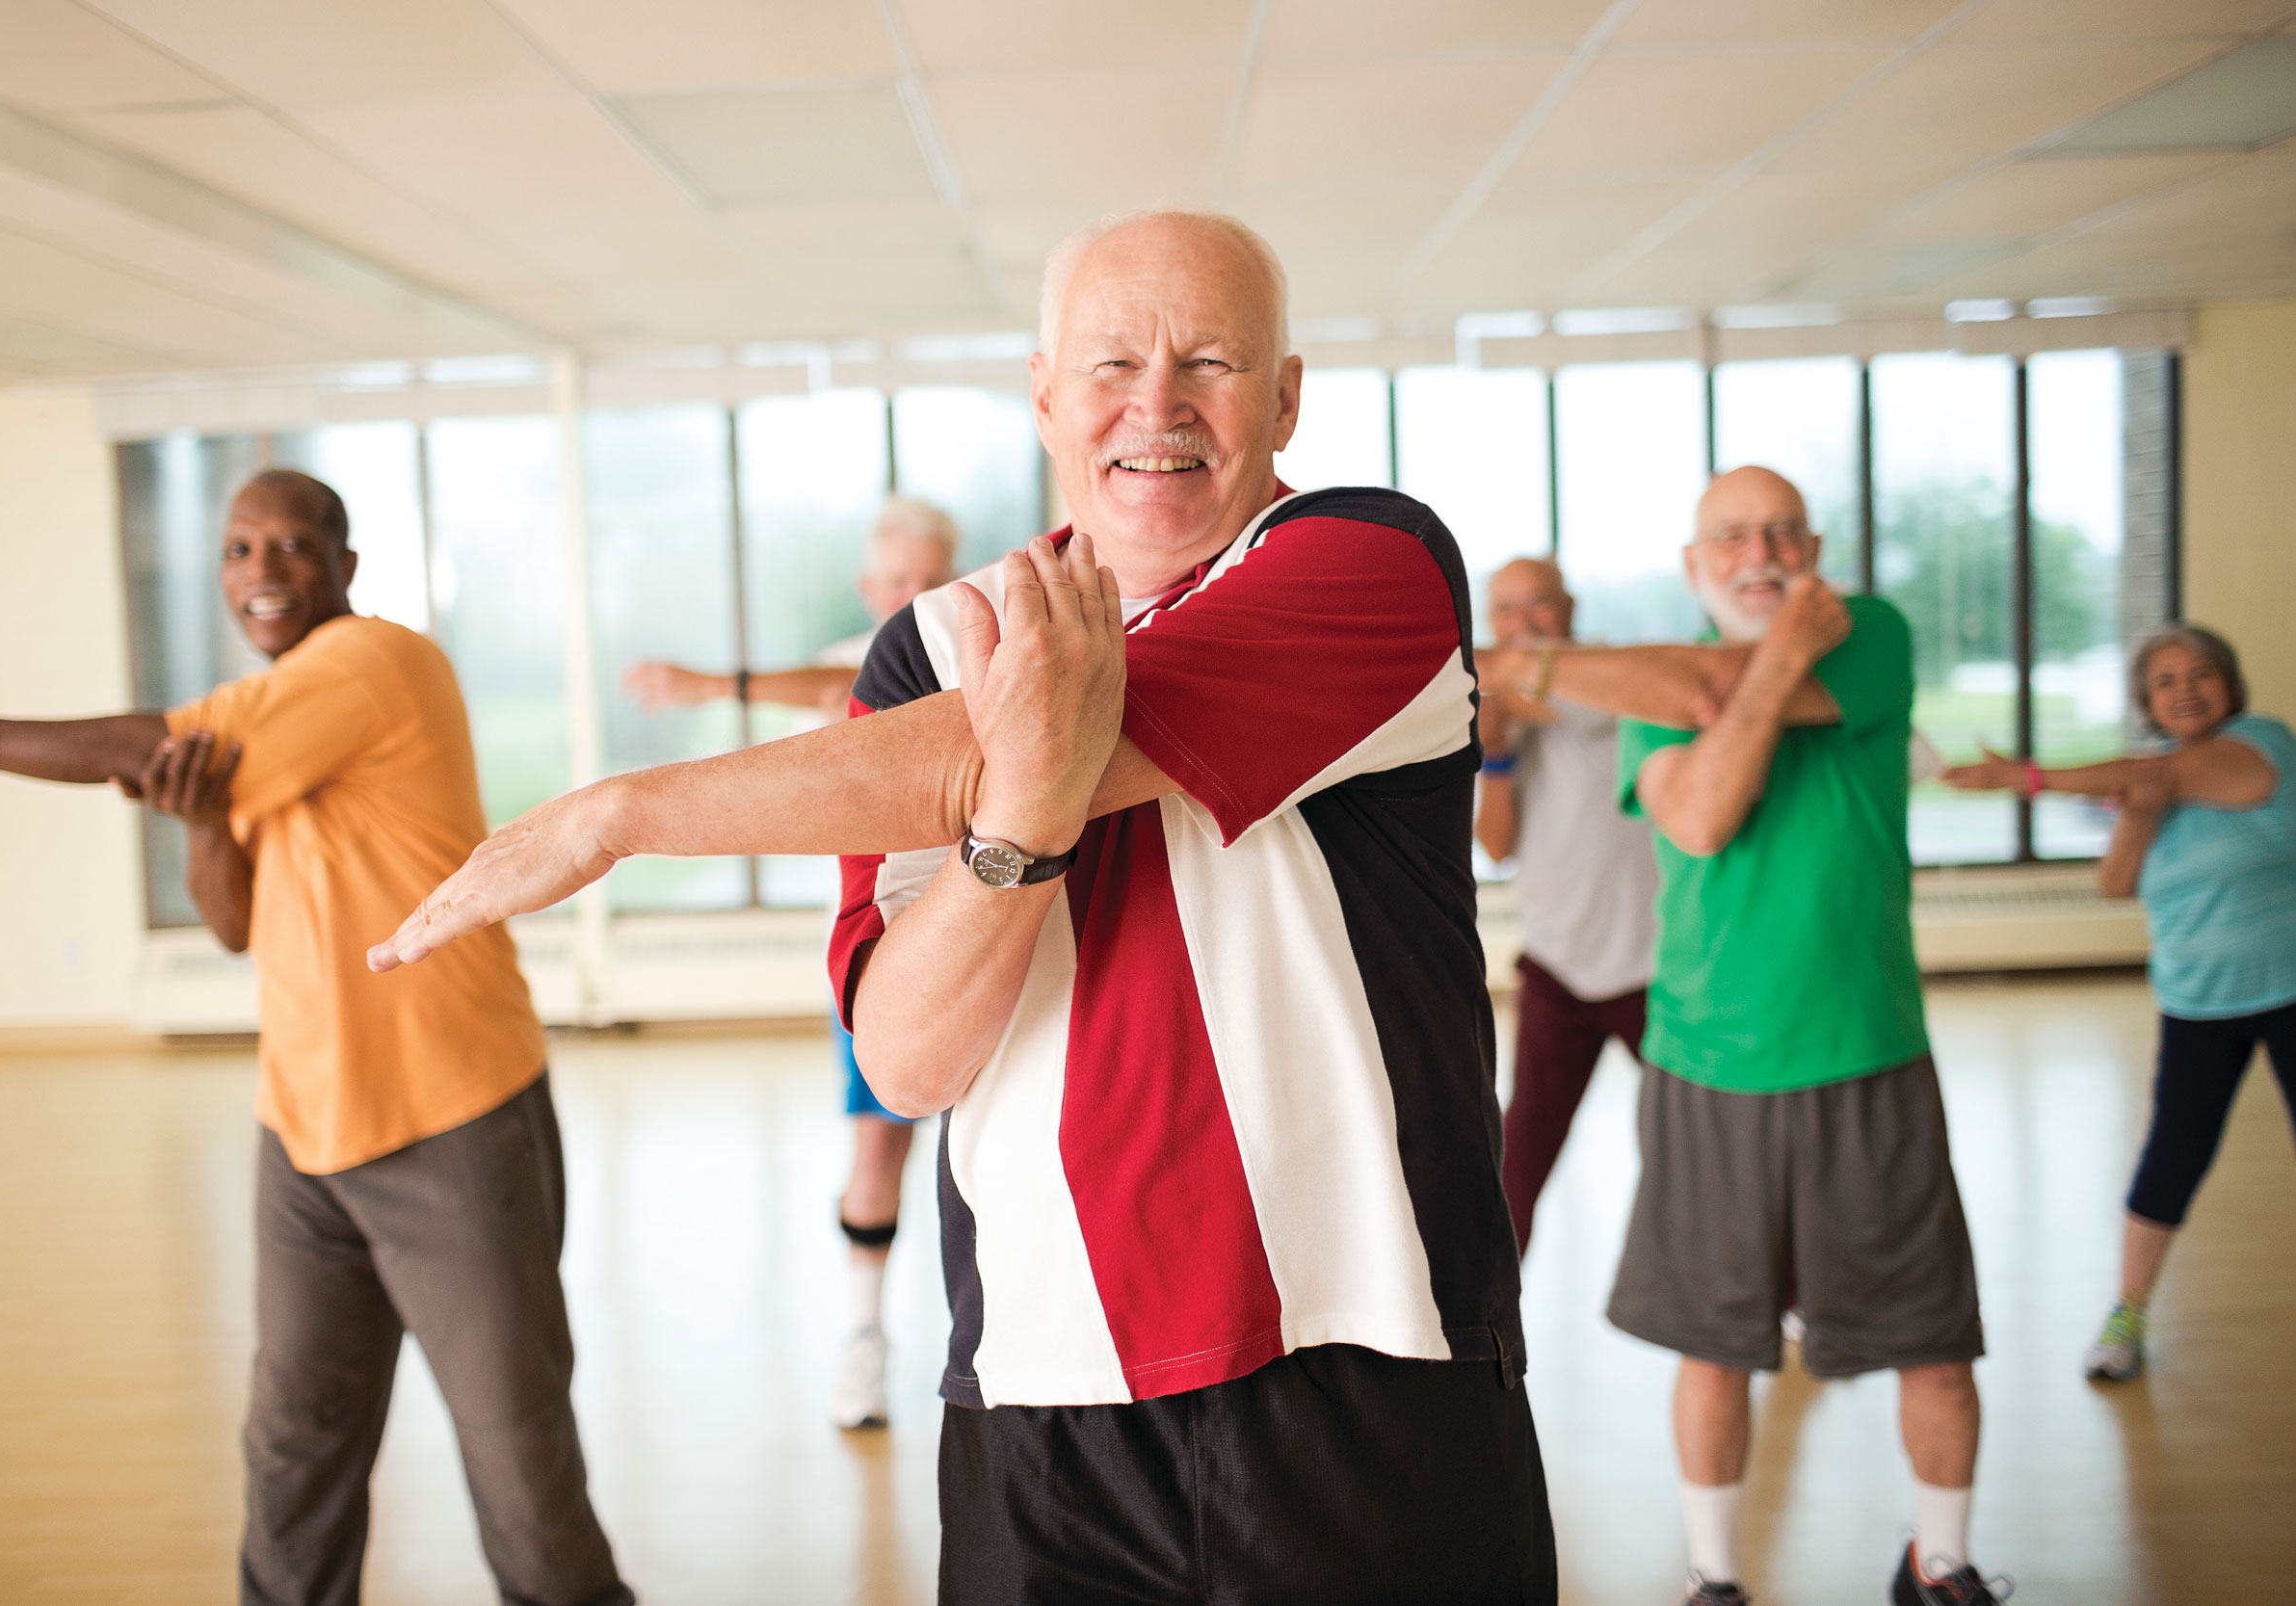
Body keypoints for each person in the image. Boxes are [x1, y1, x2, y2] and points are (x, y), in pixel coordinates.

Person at [372, 208, 1557, 1605]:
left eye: (1213, 361)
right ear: (1047, 393)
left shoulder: (1369, 563)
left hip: (1369, 1360)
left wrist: (615, 812)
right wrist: (1017, 822)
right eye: (1111, 361)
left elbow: (980, 749)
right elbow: (910, 1058)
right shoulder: (929, 644)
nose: (1156, 404)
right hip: (1037, 1397)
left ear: (1286, 394)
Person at [0, 469, 631, 1606]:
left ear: (345, 566)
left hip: (451, 1112)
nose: (262, 568)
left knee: (518, 1464)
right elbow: (235, 920)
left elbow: (144, 742)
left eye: (291, 543)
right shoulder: (272, 723)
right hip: (303, 1129)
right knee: (294, 1449)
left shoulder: (375, 664)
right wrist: (197, 822)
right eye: (238, 548)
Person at [1485, 466, 2003, 1606]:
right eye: (1730, 535)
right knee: (1714, 1345)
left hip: (1868, 1052)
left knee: (1932, 1339)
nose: (1758, 551)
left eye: (1779, 532)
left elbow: (1723, 685)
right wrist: (1759, 664)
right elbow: (1705, 815)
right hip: (1705, 1067)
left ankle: (1944, 1562)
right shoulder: (1667, 685)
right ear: (1693, 564)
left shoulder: (1871, 632)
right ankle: (1713, 1576)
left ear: (1812, 548)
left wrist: (1527, 669)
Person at [623, 496, 962, 1431]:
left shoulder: (978, 645)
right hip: (887, 951)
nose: (913, 596)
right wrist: (712, 685)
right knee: (877, 1146)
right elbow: (828, 679)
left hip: (994, 927)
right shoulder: (857, 664)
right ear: (867, 587)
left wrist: (713, 681)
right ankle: (863, 1339)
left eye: (930, 577)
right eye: (896, 581)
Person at [1944, 624, 2293, 1382]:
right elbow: (2115, 882)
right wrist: (2135, 808)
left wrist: (2028, 778)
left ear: (2230, 683)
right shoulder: (2152, 780)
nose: (2186, 690)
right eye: (2165, 682)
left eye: (2201, 673)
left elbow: (2167, 776)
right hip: (2198, 1002)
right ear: (2147, 703)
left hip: (2289, 986)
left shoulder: (2263, 743)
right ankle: (2128, 1312)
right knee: (2173, 1156)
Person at [1474, 557, 1657, 1253]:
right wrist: (1494, 752)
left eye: (1539, 605)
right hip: (1557, 967)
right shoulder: (1501, 713)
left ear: (1571, 606)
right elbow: (1495, 844)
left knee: (1700, 1138)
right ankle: (1488, 1317)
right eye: (1506, 611)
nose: (1523, 624)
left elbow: (1546, 698)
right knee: (1520, 1155)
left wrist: (1494, 691)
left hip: (1654, 964)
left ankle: (1778, 1292)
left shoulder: (1615, 677)